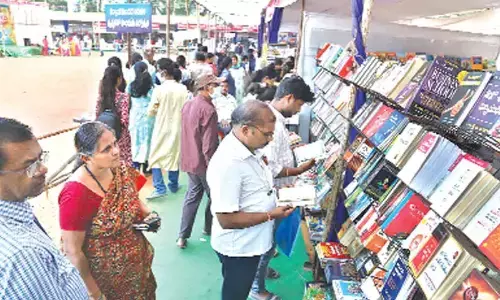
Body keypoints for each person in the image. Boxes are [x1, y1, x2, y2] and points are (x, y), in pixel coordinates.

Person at [208, 100, 296, 300]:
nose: (270, 139)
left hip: (252, 242)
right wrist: (270, 214)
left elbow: (255, 187)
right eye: (267, 134)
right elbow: (226, 219)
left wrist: (278, 196)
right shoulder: (229, 163)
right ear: (246, 130)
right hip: (240, 247)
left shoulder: (249, 148)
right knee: (235, 293)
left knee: (240, 288)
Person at [59, 122, 157, 300]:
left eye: (115, 144)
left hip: (138, 266)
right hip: (107, 281)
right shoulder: (75, 194)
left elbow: (131, 197)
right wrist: (94, 292)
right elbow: (72, 250)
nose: (116, 151)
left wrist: (148, 215)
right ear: (86, 158)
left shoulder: (119, 169)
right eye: (106, 149)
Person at [0, 118, 88, 299]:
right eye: (30, 166)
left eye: (41, 158)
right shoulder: (23, 256)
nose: (43, 169)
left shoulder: (16, 209)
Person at [250, 76, 316, 300]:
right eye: (298, 104)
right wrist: (298, 171)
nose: (298, 111)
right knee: (267, 241)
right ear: (289, 98)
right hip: (274, 192)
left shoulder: (273, 119)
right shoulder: (273, 124)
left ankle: (259, 274)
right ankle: (257, 288)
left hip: (276, 189)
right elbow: (270, 165)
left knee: (268, 239)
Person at [177, 74, 220, 248]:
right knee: (215, 196)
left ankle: (182, 235)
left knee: (192, 196)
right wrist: (214, 166)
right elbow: (208, 144)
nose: (215, 89)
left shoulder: (188, 105)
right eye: (214, 85)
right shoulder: (208, 110)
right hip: (204, 162)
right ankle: (209, 227)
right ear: (207, 86)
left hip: (189, 158)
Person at [147, 58, 188, 199]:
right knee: (174, 154)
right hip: (178, 127)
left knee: (155, 156)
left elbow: (151, 111)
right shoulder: (183, 89)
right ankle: (173, 184)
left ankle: (159, 187)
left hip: (161, 127)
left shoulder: (158, 90)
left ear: (163, 72)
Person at [96, 66, 132, 166]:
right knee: (123, 164)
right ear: (118, 79)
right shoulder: (124, 97)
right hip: (121, 137)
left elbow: (97, 116)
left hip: (104, 137)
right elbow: (125, 120)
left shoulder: (101, 98)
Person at [128, 62, 155, 174]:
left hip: (135, 116)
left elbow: (128, 100)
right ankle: (146, 164)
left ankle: (136, 165)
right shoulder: (151, 87)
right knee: (148, 140)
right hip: (149, 117)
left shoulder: (131, 86)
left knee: (136, 139)